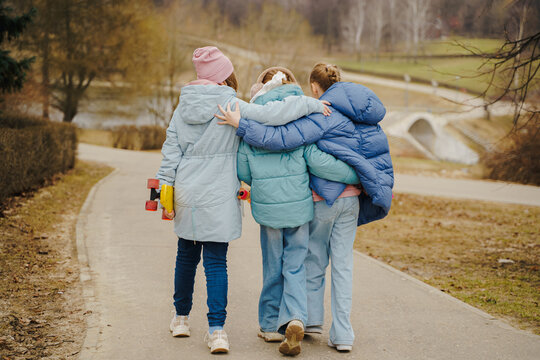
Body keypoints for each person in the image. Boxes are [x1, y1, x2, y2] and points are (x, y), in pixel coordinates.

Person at [155, 48, 331, 354]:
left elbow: (171, 151)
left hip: (186, 191)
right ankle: (217, 331)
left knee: (185, 256)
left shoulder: (182, 107)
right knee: (215, 261)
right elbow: (272, 114)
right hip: (219, 193)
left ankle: (181, 318)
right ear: (223, 74)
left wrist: (165, 189)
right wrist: (311, 103)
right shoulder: (230, 103)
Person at [217, 63, 394, 352]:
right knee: (334, 265)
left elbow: (279, 142)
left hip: (321, 200)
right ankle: (340, 335)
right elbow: (369, 157)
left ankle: (298, 322)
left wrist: (242, 125)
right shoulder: (365, 116)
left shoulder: (318, 113)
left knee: (303, 262)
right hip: (342, 203)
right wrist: (363, 179)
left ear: (314, 87)